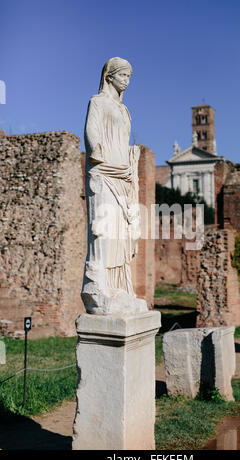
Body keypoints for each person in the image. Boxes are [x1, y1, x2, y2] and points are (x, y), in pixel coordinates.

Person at [81, 57, 145, 315]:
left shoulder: (125, 110)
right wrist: (102, 158)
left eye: (130, 77)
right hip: (104, 174)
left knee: (121, 233)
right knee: (104, 231)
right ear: (109, 76)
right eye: (123, 76)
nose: (127, 82)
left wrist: (130, 159)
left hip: (123, 176)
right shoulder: (97, 102)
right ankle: (99, 288)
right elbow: (91, 134)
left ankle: (119, 287)